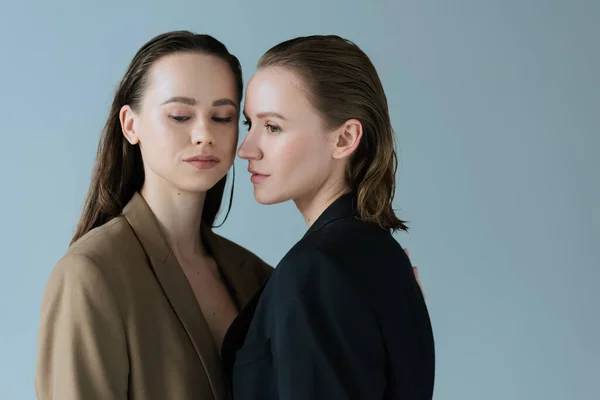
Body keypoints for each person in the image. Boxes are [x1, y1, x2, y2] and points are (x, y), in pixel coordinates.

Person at [34, 31, 273, 400]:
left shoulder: (258, 276)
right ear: (131, 125)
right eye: (180, 115)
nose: (203, 134)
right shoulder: (90, 274)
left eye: (223, 117)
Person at [222, 35, 435, 399]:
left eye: (272, 127)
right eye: (249, 125)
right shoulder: (381, 255)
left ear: (344, 139)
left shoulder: (316, 269)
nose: (246, 149)